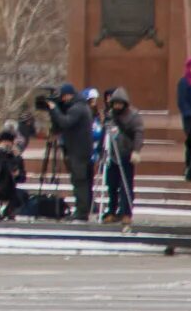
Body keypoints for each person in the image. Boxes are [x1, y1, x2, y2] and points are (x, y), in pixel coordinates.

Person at [42, 84, 95, 221]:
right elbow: (61, 125)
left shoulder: (77, 108)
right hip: (79, 149)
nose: (63, 99)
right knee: (80, 181)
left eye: (63, 96)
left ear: (69, 95)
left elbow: (65, 122)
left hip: (78, 150)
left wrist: (54, 109)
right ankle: (83, 209)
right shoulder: (80, 106)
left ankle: (82, 212)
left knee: (79, 181)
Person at [101, 88, 143, 225]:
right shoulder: (110, 115)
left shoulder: (133, 116)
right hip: (112, 154)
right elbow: (105, 132)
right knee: (111, 185)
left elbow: (138, 133)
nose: (117, 106)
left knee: (125, 186)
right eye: (115, 104)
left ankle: (126, 212)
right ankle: (112, 211)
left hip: (126, 154)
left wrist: (136, 150)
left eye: (120, 104)